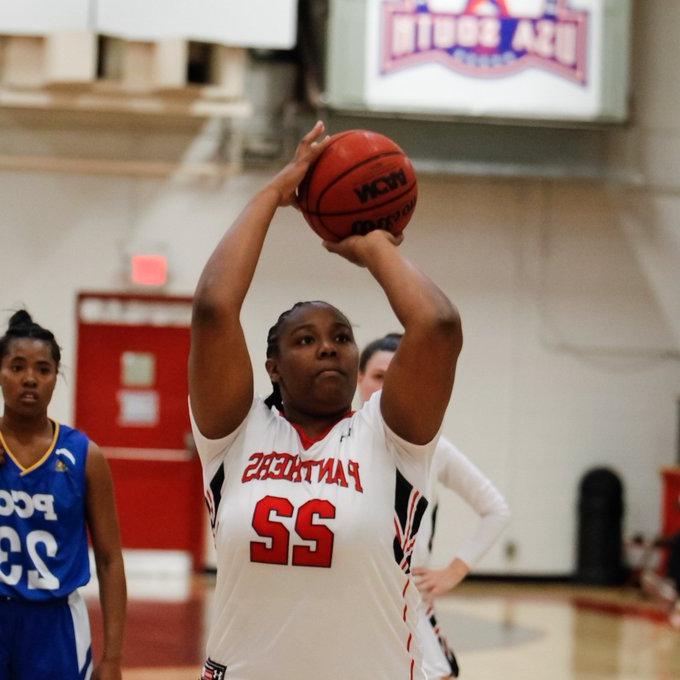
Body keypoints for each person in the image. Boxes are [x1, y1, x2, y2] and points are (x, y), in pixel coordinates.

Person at [189, 121, 463, 679]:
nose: (328, 350)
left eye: (341, 338)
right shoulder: (235, 435)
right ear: (273, 366)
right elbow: (215, 308)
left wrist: (374, 247)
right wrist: (272, 193)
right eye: (305, 340)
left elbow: (436, 325)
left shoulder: (390, 437)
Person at [358, 333, 511, 680]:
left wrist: (454, 570)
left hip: (407, 599)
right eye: (378, 376)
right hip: (352, 598)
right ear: (359, 379)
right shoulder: (337, 439)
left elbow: (495, 509)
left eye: (396, 377)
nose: (385, 387)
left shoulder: (433, 448)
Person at [0, 310, 126, 680]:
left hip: (55, 623)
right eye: (17, 366)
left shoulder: (84, 455)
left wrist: (114, 658)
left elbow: (109, 559)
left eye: (43, 369)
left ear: (57, 377)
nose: (29, 379)